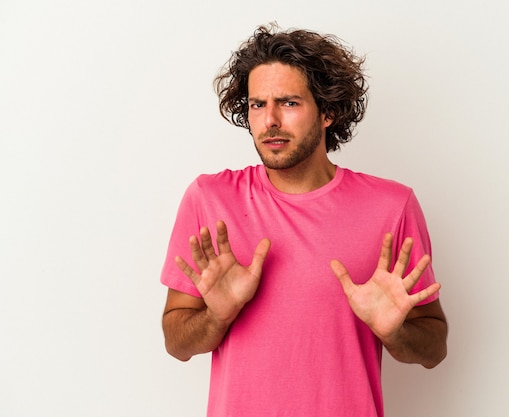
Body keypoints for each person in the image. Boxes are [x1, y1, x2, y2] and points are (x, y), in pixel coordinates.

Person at [160, 23, 448, 417]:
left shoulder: (392, 206)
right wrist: (216, 316)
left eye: (289, 103)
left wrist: (395, 332)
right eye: (257, 104)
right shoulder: (210, 199)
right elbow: (176, 343)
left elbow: (435, 348)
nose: (269, 121)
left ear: (328, 111)